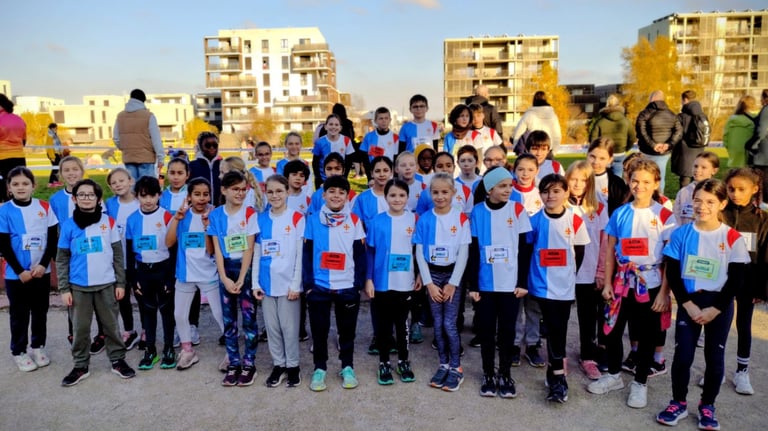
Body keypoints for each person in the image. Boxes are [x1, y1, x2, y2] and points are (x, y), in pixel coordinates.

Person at [656, 179, 749, 430]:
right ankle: (678, 402)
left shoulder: (732, 238)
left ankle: (707, 405)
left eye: (710, 201)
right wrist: (688, 304)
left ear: (722, 203)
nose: (702, 206)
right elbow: (673, 273)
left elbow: (736, 279)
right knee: (683, 355)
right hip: (690, 303)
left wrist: (715, 308)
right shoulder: (681, 234)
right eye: (697, 200)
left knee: (714, 357)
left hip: (718, 305)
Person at [587, 159, 676, 409]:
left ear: (656, 183)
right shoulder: (620, 212)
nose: (640, 186)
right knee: (612, 330)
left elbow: (670, 258)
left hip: (650, 284)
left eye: (646, 182)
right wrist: (606, 282)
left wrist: (665, 293)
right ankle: (614, 375)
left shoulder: (665, 216)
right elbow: (611, 247)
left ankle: (640, 383)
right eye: (635, 180)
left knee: (646, 334)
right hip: (620, 283)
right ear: (628, 181)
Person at [57, 179, 136, 386]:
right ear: (74, 199)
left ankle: (118, 359)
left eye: (90, 194)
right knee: (80, 328)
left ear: (98, 198)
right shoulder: (68, 225)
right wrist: (64, 288)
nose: (86, 198)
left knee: (111, 326)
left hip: (107, 285)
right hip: (78, 287)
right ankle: (80, 365)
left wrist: (121, 283)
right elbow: (62, 258)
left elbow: (118, 255)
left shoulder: (108, 222)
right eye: (81, 195)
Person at [467, 167, 531, 398]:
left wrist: (523, 282)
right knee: (486, 331)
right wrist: (473, 285)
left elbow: (524, 249)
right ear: (489, 188)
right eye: (503, 186)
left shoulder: (517, 209)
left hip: (510, 285)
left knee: (507, 331)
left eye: (510, 186)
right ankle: (488, 373)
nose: (508, 190)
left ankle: (504, 373)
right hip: (485, 285)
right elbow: (473, 251)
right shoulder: (477, 212)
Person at [528, 174, 590, 402]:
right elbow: (527, 251)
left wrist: (568, 275)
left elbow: (580, 251)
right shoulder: (535, 220)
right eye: (545, 191)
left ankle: (555, 373)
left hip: (563, 287)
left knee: (558, 329)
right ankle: (557, 375)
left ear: (565, 193)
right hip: (541, 286)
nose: (550, 196)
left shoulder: (575, 220)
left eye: (555, 191)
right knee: (551, 328)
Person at [303, 175, 366, 392]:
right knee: (319, 330)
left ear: (347, 196)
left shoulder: (355, 220)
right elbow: (307, 252)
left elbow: (360, 254)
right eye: (332, 191)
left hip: (347, 286)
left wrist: (357, 284)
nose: (336, 196)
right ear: (324, 195)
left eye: (341, 192)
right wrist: (308, 284)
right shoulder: (312, 219)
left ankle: (347, 366)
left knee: (346, 331)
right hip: (319, 286)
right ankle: (319, 368)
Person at [414, 173, 471, 392]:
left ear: (453, 194)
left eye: (444, 192)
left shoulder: (461, 219)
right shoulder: (425, 219)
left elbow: (464, 252)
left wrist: (453, 283)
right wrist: (428, 283)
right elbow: (419, 252)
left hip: (452, 276)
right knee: (437, 323)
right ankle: (443, 364)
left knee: (449, 323)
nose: (440, 196)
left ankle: (456, 367)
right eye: (435, 192)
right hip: (433, 276)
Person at [0, 167, 58, 372]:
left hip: (41, 272)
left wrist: (43, 265)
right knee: (19, 313)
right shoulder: (4, 210)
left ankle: (38, 346)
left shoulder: (44, 206)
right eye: (15, 184)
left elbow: (52, 240)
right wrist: (19, 271)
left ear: (33, 186)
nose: (20, 187)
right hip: (17, 275)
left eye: (25, 183)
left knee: (40, 311)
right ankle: (19, 350)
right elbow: (4, 245)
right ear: (9, 188)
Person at [207, 170, 260, 386]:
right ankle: (233, 362)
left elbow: (249, 248)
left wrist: (242, 276)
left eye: (243, 189)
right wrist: (224, 277)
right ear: (224, 190)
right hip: (225, 269)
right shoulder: (216, 215)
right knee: (229, 320)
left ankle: (249, 363)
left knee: (249, 318)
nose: (240, 193)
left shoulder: (250, 213)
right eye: (235, 189)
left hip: (244, 269)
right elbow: (217, 248)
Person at [719, 168, 768, 395]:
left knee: (743, 326)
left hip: (749, 281)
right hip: (720, 281)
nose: (735, 194)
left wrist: (762, 288)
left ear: (755, 189)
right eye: (731, 189)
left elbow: (765, 255)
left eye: (741, 189)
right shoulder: (719, 214)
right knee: (718, 326)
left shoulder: (763, 219)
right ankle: (715, 369)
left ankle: (742, 371)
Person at [167, 178, 224, 370]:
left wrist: (208, 226)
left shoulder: (215, 214)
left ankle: (232, 351)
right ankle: (187, 350)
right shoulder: (182, 215)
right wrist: (176, 219)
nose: (201, 198)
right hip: (185, 274)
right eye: (197, 194)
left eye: (205, 194)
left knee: (219, 313)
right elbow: (168, 243)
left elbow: (211, 250)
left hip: (209, 274)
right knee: (180, 314)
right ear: (189, 196)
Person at [365, 178, 419, 385]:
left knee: (402, 324)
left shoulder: (414, 219)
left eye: (402, 195)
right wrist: (369, 279)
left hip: (405, 282)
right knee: (383, 325)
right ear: (385, 197)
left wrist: (420, 275)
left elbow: (418, 251)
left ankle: (404, 360)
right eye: (392, 195)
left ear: (407, 197)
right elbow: (370, 252)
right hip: (381, 283)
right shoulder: (377, 221)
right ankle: (384, 362)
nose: (397, 199)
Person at [253, 175, 304, 388]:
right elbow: (256, 253)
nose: (275, 196)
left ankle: (293, 366)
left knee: (289, 328)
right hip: (266, 284)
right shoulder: (260, 219)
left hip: (288, 285)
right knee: (272, 328)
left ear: (287, 192)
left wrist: (296, 284)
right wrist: (255, 283)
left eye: (279, 191)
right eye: (271, 192)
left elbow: (300, 254)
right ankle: (279, 364)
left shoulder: (297, 218)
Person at [125, 176, 176, 371]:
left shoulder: (166, 216)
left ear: (159, 196)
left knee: (166, 310)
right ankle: (150, 349)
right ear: (137, 196)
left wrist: (170, 278)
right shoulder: (132, 219)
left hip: (163, 269)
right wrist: (132, 278)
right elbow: (129, 250)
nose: (147, 200)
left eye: (152, 196)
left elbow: (173, 249)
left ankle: (169, 348)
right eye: (143, 196)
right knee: (147, 311)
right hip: (143, 271)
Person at [566, 162, 609, 381]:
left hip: (589, 271)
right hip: (563, 271)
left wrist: (601, 271)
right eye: (574, 179)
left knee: (588, 316)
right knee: (561, 316)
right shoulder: (560, 203)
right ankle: (559, 356)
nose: (577, 184)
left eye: (583, 180)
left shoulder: (598, 206)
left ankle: (588, 356)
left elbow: (604, 241)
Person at [105, 168, 142, 350]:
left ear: (131, 181)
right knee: (122, 297)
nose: (118, 184)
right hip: (119, 262)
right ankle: (129, 330)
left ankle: (145, 331)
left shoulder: (141, 202)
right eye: (114, 183)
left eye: (121, 180)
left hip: (139, 260)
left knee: (143, 297)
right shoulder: (109, 205)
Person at [635, 90, 683, 194]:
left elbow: (640, 132)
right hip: (664, 152)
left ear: (652, 99)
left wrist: (653, 145)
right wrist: (668, 145)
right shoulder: (672, 114)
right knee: (660, 176)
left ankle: (646, 196)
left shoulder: (645, 113)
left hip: (647, 151)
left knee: (645, 176)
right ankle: (659, 198)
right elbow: (679, 131)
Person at [113, 89, 163, 180]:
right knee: (146, 189)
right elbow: (156, 139)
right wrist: (161, 158)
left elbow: (116, 138)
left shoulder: (120, 116)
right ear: (143, 101)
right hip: (146, 158)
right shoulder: (149, 116)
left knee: (132, 189)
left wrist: (125, 148)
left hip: (128, 157)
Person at [589, 94, 636, 177]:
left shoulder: (600, 122)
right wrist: (625, 148)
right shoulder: (626, 121)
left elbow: (593, 140)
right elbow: (632, 138)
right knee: (617, 179)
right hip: (620, 153)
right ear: (618, 104)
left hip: (604, 154)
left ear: (606, 105)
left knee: (603, 177)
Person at [672, 90, 710, 188]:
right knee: (698, 179)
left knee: (685, 181)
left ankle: (685, 201)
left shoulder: (681, 117)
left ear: (685, 99)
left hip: (685, 152)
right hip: (699, 151)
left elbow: (677, 134)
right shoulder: (702, 115)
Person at [673, 151, 720, 226]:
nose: (698, 170)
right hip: (685, 234)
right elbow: (676, 217)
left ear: (714, 170)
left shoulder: (717, 192)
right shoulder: (684, 192)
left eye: (703, 167)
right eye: (695, 166)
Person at [586, 138, 628, 216]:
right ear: (587, 155)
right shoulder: (578, 179)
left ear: (610, 160)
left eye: (602, 158)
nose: (596, 162)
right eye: (592, 156)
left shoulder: (617, 183)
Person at [312, 114, 355, 189]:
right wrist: (319, 179)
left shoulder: (346, 140)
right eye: (331, 124)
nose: (333, 127)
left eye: (336, 125)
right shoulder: (320, 142)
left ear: (340, 128)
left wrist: (344, 177)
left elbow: (348, 162)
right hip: (323, 179)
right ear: (325, 127)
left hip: (340, 179)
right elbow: (315, 162)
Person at [0, 94, 26, 203]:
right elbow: (24, 140)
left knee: (3, 187)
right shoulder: (19, 119)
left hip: (2, 157)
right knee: (18, 184)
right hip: (19, 157)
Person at [360, 107, 399, 179]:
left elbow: (397, 159)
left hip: (390, 177)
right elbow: (364, 159)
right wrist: (369, 177)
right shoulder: (369, 137)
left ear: (390, 120)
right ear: (375, 121)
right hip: (374, 176)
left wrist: (395, 176)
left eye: (386, 118)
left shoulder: (395, 138)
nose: (384, 121)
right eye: (381, 118)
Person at [723, 95, 758, 168]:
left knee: (735, 171)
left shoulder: (731, 119)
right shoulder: (755, 118)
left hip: (734, 149)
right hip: (749, 150)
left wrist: (729, 147)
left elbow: (725, 136)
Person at [189, 131, 222, 206]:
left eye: (215, 145)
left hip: (220, 210)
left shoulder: (224, 165)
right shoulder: (192, 166)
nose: (212, 148)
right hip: (199, 209)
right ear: (200, 146)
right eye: (208, 145)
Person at [750, 89, 768, 203]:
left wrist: (753, 145)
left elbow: (761, 131)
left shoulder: (766, 110)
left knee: (762, 185)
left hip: (764, 155)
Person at [46, 123, 64, 187]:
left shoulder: (55, 135)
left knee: (57, 168)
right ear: (51, 128)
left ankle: (56, 181)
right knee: (55, 168)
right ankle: (50, 182)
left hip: (57, 153)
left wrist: (61, 153)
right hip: (53, 154)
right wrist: (52, 156)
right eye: (55, 128)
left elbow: (58, 145)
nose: (56, 129)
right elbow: (49, 147)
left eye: (56, 128)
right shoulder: (50, 136)